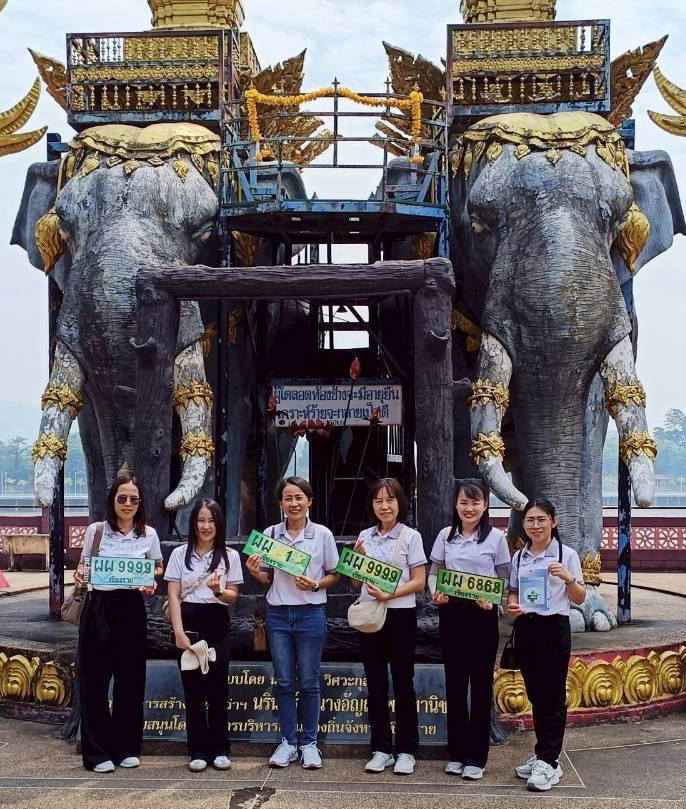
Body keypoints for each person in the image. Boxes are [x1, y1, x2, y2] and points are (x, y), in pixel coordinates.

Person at [246, 476, 339, 770]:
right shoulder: (270, 534)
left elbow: (335, 574)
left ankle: (309, 744)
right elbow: (266, 578)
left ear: (309, 501)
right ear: (281, 503)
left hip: (311, 614)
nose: (294, 503)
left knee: (309, 680)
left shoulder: (322, 534)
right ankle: (287, 742)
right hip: (278, 615)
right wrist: (254, 571)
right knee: (284, 681)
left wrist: (315, 584)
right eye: (288, 498)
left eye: (299, 497)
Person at [74, 473, 163, 773]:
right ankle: (97, 753)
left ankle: (127, 747)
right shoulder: (96, 531)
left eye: (133, 499)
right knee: (95, 680)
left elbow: (158, 566)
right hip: (99, 606)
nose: (127, 504)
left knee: (131, 679)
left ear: (140, 503)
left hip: (132, 607)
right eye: (122, 498)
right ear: (112, 500)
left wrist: (151, 579)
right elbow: (83, 565)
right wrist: (80, 574)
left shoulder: (148, 534)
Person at [428, 478, 510, 781]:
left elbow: (504, 577)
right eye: (464, 502)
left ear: (485, 505)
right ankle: (457, 753)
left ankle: (477, 756)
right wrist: (436, 592)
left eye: (475, 502)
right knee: (455, 685)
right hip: (452, 614)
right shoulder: (445, 536)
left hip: (482, 617)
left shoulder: (496, 539)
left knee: (480, 685)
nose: (469, 508)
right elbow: (435, 572)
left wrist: (495, 599)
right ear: (456, 504)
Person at [507, 497, 586, 792]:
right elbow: (513, 592)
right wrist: (513, 606)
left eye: (542, 519)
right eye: (530, 520)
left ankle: (549, 762)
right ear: (523, 524)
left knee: (552, 696)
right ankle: (544, 753)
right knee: (536, 694)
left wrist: (568, 578)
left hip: (554, 628)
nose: (535, 525)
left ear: (554, 522)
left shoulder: (567, 555)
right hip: (527, 627)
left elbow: (580, 598)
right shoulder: (519, 557)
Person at [353, 478, 427, 776]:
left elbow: (419, 581)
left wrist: (389, 593)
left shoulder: (411, 537)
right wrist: (357, 560)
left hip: (400, 616)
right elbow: (355, 582)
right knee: (375, 683)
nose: (384, 506)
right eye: (378, 501)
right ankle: (381, 748)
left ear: (400, 503)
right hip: (370, 615)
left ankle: (407, 750)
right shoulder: (364, 536)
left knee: (403, 682)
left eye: (390, 500)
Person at [164, 498, 242, 772]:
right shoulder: (179, 554)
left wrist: (218, 590)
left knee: (218, 688)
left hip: (216, 620)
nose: (206, 526)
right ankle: (197, 750)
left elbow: (233, 596)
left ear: (219, 524)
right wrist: (178, 631)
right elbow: (173, 595)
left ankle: (220, 749)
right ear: (193, 523)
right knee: (193, 689)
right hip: (189, 620)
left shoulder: (229, 556)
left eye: (211, 521)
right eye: (201, 520)